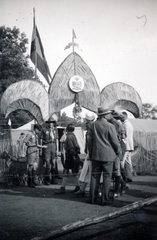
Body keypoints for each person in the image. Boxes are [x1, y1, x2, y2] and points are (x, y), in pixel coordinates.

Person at [88, 107, 120, 205]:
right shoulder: (110, 126)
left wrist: (91, 153)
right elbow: (115, 142)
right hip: (108, 156)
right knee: (107, 178)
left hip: (96, 155)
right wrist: (118, 151)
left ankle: (92, 199)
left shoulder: (92, 125)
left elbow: (89, 142)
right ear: (105, 115)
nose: (110, 115)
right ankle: (104, 200)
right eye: (109, 113)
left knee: (94, 177)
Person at [55, 123, 81, 194]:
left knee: (66, 170)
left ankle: (63, 187)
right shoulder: (73, 136)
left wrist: (72, 155)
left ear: (67, 129)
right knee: (74, 171)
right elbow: (77, 146)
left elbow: (71, 147)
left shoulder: (68, 137)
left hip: (71, 155)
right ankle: (78, 186)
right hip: (74, 155)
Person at [109, 111, 129, 197]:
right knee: (116, 169)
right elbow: (124, 136)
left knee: (116, 170)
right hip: (118, 147)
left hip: (116, 148)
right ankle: (123, 185)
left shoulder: (113, 124)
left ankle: (118, 189)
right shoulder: (120, 125)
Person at [75, 112, 96, 196]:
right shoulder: (90, 130)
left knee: (90, 173)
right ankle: (82, 189)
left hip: (92, 154)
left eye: (88, 121)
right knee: (85, 172)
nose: (87, 123)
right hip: (89, 153)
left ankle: (91, 191)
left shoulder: (93, 129)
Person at [40, 120, 58, 185]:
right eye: (49, 123)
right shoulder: (44, 130)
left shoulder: (55, 130)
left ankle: (53, 179)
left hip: (53, 146)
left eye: (52, 123)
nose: (51, 124)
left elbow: (56, 140)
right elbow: (41, 139)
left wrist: (57, 150)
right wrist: (41, 148)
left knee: (53, 164)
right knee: (47, 164)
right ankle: (47, 180)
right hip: (46, 146)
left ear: (53, 123)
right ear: (48, 123)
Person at [120, 111, 134, 182]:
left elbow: (127, 136)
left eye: (121, 116)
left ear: (124, 117)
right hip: (129, 144)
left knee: (123, 160)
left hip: (127, 144)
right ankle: (129, 176)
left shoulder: (126, 124)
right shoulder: (128, 123)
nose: (120, 118)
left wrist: (123, 141)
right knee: (128, 161)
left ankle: (126, 177)